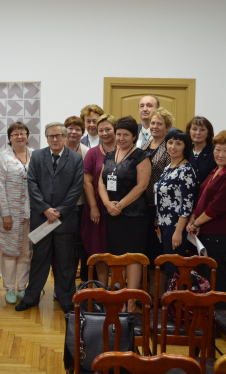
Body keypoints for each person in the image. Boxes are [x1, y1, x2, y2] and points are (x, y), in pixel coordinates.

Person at [15, 123, 84, 314]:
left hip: (65, 219)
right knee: (39, 260)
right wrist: (46, 209)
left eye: (58, 136)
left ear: (64, 137)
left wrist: (59, 211)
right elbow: (32, 183)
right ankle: (31, 298)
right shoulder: (37, 156)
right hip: (42, 219)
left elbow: (76, 188)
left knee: (65, 262)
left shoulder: (76, 158)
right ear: (46, 138)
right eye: (51, 136)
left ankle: (66, 299)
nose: (55, 139)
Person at [98, 116, 150, 311]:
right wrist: (107, 203)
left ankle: (130, 301)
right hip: (112, 214)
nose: (120, 138)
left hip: (134, 215)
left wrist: (119, 205)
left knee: (132, 257)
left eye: (125, 135)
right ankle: (117, 295)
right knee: (116, 255)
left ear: (134, 136)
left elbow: (142, 185)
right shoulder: (110, 155)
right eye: (118, 134)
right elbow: (101, 182)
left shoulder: (140, 156)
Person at [187, 130, 226, 294]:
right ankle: (208, 316)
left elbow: (216, 207)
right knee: (206, 280)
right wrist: (193, 220)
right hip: (206, 233)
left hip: (219, 235)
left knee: (217, 281)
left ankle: (221, 316)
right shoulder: (216, 170)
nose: (220, 154)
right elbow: (201, 198)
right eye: (218, 149)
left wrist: (196, 223)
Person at [0, 122, 33, 304]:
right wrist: (5, 214)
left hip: (31, 213)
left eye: (22, 133)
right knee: (10, 252)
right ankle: (9, 288)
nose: (19, 137)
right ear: (9, 138)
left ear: (27, 135)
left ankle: (22, 287)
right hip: (10, 213)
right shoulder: (3, 157)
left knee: (26, 252)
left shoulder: (35, 154)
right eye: (15, 134)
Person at [155, 129, 198, 286]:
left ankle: (176, 306)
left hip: (175, 227)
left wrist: (178, 232)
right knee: (168, 267)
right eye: (170, 142)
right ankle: (169, 305)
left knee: (174, 270)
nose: (173, 146)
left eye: (178, 143)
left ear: (185, 147)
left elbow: (187, 204)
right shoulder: (168, 167)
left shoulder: (186, 170)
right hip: (164, 225)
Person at [82, 114, 117, 285]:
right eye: (101, 130)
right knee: (99, 251)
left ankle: (117, 291)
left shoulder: (126, 150)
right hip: (97, 208)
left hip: (120, 208)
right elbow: (87, 181)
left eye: (108, 129)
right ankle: (103, 291)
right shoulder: (93, 153)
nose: (104, 133)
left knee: (118, 251)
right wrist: (94, 207)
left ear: (115, 130)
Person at [143, 108, 173, 264]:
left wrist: (158, 213)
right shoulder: (145, 145)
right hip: (142, 205)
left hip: (159, 207)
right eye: (153, 123)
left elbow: (168, 181)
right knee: (143, 249)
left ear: (167, 127)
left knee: (157, 251)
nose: (154, 126)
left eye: (159, 124)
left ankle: (157, 287)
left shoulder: (170, 147)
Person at [64, 116, 89, 280]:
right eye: (70, 128)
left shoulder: (87, 152)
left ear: (82, 133)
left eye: (78, 129)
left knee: (82, 247)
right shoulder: (57, 148)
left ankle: (85, 283)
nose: (73, 132)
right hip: (61, 208)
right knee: (64, 248)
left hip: (82, 205)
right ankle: (64, 284)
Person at [186, 116, 216, 188]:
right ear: (189, 131)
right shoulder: (185, 151)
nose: (198, 133)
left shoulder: (214, 152)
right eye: (194, 129)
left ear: (208, 133)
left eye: (202, 130)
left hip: (206, 195)